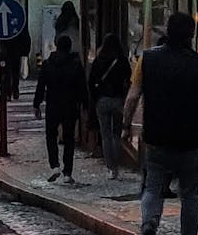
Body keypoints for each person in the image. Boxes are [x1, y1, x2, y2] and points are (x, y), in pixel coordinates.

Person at [122, 12, 198, 235]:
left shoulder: (147, 59)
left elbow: (132, 97)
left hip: (157, 138)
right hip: (191, 140)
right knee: (189, 194)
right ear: (190, 35)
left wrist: (126, 127)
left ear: (167, 31)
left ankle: (149, 226)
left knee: (152, 188)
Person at [33, 33, 87, 185]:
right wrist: (85, 105)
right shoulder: (75, 64)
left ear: (56, 46)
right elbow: (82, 87)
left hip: (53, 105)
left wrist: (36, 104)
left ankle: (54, 165)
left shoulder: (48, 64)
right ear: (70, 47)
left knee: (51, 135)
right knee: (69, 139)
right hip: (70, 106)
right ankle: (67, 172)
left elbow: (40, 86)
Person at [88, 33, 131, 180]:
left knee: (105, 135)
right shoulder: (122, 60)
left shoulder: (99, 60)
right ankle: (118, 165)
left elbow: (91, 80)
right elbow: (128, 79)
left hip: (102, 100)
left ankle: (111, 168)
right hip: (117, 100)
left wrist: (96, 97)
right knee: (116, 134)